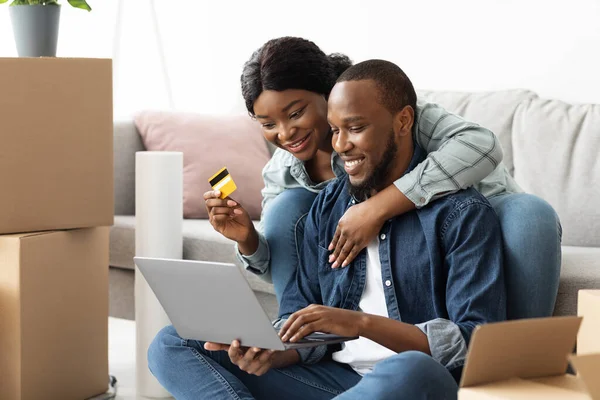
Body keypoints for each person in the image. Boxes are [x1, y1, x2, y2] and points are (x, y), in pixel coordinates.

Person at [148, 59, 507, 400]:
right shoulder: (327, 206)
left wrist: (360, 324)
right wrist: (273, 353)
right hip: (333, 381)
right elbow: (302, 317)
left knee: (412, 368)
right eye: (335, 130)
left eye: (356, 128)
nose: (340, 145)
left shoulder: (461, 213)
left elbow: (471, 341)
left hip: (409, 383)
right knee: (171, 343)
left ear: (403, 120)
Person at [204, 37, 560, 320]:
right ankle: (297, 345)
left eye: (296, 113)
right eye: (268, 124)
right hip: (396, 239)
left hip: (466, 213)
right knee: (285, 208)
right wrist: (249, 240)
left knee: (531, 215)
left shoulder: (398, 114)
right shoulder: (283, 171)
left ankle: (517, 373)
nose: (286, 132)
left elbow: (481, 147)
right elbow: (285, 264)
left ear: (329, 93)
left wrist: (375, 209)